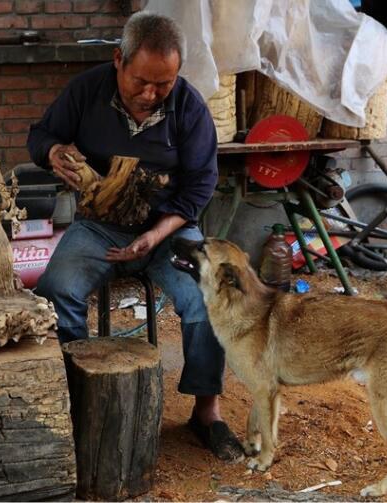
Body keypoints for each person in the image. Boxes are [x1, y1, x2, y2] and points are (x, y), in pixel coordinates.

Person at [27, 11, 244, 462]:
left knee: (207, 299)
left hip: (170, 231)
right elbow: (41, 134)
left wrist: (158, 233)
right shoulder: (88, 90)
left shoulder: (188, 106)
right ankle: (76, 397)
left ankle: (207, 411)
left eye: (163, 84)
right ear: (118, 61)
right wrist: (52, 152)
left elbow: (201, 185)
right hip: (98, 226)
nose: (150, 94)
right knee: (54, 291)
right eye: (141, 81)